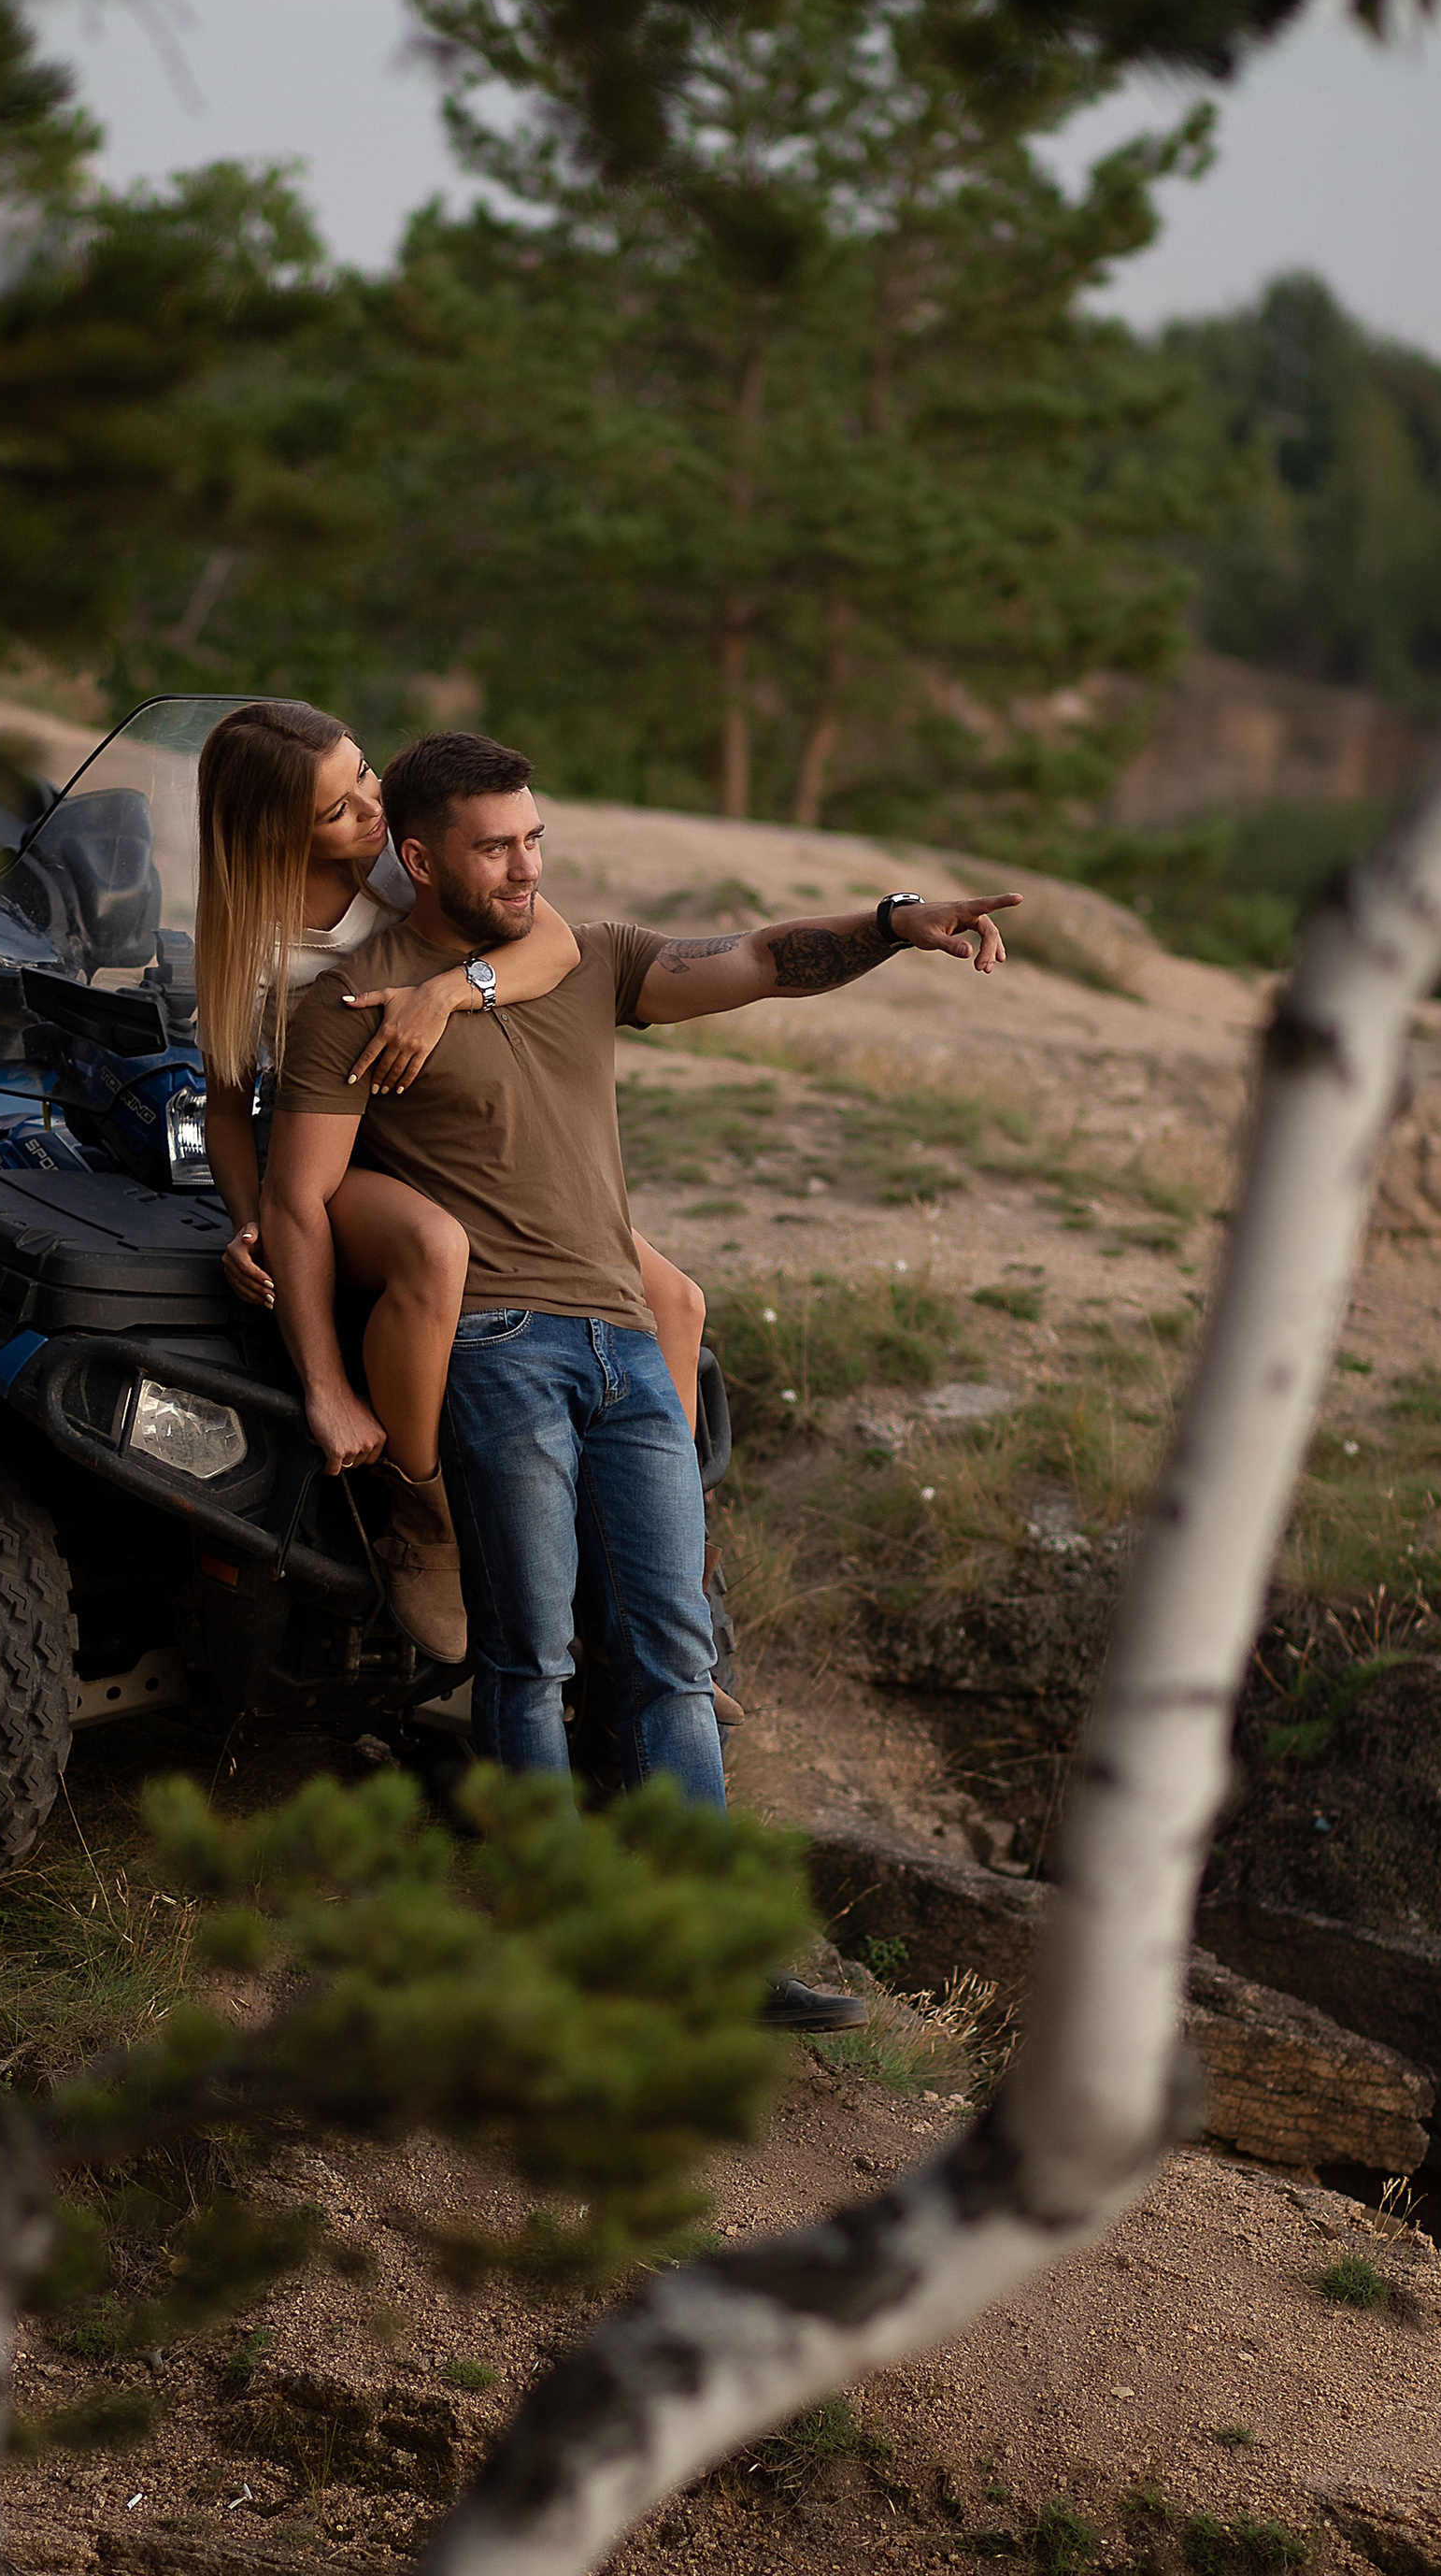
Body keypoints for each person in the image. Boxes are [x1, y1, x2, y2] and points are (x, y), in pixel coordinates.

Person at [261, 728, 1016, 2019]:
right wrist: (327, 1383)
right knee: (529, 1654)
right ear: (419, 857)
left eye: (534, 838)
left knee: (669, 1647)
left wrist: (896, 922)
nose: (524, 866)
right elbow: (299, 1207)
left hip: (625, 1345)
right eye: (494, 847)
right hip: (496, 1348)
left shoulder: (585, 958)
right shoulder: (349, 1005)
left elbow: (764, 959)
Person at [193, 699, 705, 1658]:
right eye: (339, 809)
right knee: (435, 1246)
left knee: (674, 1299)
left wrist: (448, 991)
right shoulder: (249, 948)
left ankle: (660, 1571)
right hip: (345, 1160)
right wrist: (245, 1218)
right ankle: (421, 1519)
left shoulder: (403, 859)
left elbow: (555, 943)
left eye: (364, 776)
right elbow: (228, 1112)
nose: (371, 810)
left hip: (452, 1138)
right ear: (277, 836)